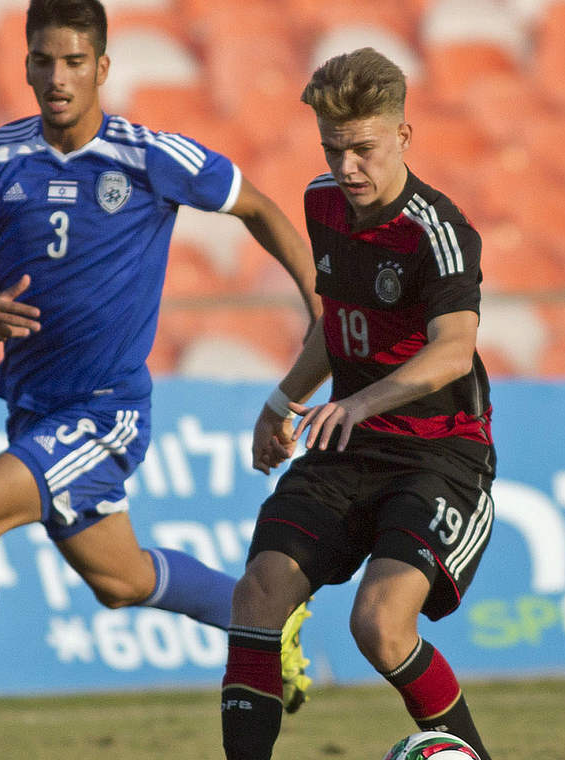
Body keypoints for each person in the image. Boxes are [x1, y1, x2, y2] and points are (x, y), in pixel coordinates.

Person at [0, 2, 322, 758]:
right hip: (32, 410)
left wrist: (318, 301)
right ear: (26, 64)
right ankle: (262, 617)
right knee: (123, 581)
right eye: (43, 60)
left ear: (102, 67)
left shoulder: (148, 156)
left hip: (105, 414)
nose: (57, 77)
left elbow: (257, 206)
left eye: (74, 62)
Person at [219, 48, 495, 760]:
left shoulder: (440, 232)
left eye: (363, 149)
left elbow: (453, 351)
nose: (347, 168)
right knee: (257, 595)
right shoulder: (322, 203)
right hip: (350, 448)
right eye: (334, 149)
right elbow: (335, 325)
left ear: (403, 137)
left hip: (439, 456)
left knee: (379, 627)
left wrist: (358, 403)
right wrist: (281, 401)